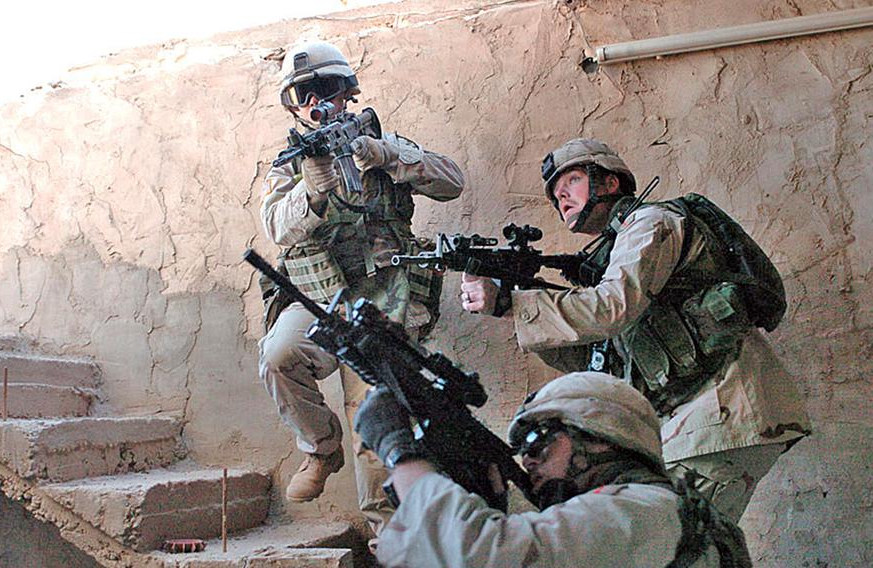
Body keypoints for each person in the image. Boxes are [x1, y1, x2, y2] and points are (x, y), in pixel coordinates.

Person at [459, 138, 809, 520]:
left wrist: (516, 302)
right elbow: (597, 356)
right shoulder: (614, 255)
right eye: (556, 196)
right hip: (699, 420)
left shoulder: (650, 222)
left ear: (609, 183)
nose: (562, 198)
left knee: (672, 547)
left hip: (723, 410)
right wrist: (514, 306)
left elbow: (612, 308)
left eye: (571, 182)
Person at [257, 40, 464, 534]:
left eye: (325, 88)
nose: (315, 102)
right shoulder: (291, 163)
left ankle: (387, 536)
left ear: (347, 91)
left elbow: (451, 180)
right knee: (279, 354)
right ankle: (321, 450)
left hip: (386, 294)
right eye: (303, 94)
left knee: (375, 410)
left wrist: (387, 156)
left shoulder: (383, 142)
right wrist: (311, 189)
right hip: (321, 296)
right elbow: (276, 228)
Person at [354, 371, 751, 567]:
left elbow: (478, 556)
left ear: (597, 439)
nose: (527, 460)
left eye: (538, 442)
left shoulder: (644, 508)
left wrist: (398, 452)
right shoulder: (662, 509)